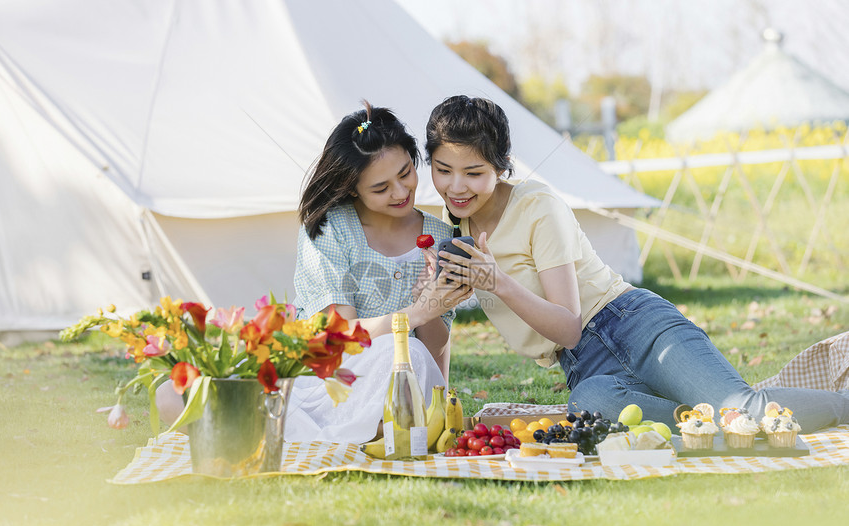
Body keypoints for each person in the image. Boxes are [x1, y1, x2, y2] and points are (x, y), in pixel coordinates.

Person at [426, 94, 849, 433]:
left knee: (742, 410)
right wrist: (432, 296)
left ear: (501, 168)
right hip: (586, 370)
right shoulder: (454, 229)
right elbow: (446, 322)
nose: (456, 186)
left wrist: (498, 282)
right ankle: (706, 426)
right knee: (588, 405)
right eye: (443, 170)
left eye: (473, 173)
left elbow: (569, 325)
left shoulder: (537, 205)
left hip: (633, 324)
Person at [284, 101, 472, 444]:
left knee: (409, 356)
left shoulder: (441, 235)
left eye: (405, 174)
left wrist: (430, 306)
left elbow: (433, 354)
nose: (401, 193)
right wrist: (418, 311)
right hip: (329, 377)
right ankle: (367, 429)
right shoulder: (329, 228)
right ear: (353, 188)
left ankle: (380, 428)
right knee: (400, 354)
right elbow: (339, 337)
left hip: (401, 381)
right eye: (381, 188)